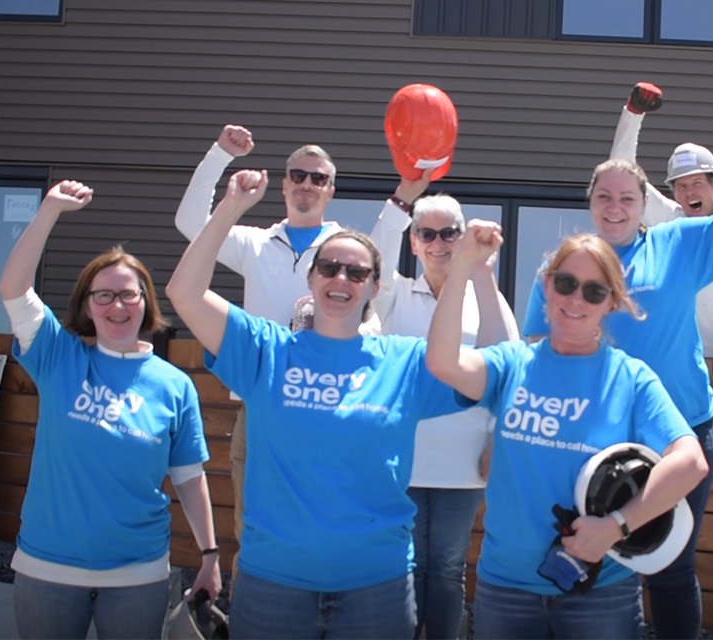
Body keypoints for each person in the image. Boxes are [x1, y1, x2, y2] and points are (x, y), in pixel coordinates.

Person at [166, 169, 458, 638]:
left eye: (357, 271)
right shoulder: (266, 350)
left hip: (376, 588)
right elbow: (183, 293)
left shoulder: (403, 360)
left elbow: (488, 367)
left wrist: (466, 269)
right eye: (330, 267)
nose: (342, 278)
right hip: (272, 586)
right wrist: (231, 207)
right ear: (312, 275)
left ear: (373, 287)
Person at [524, 105, 713, 639]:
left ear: (644, 205)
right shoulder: (565, 267)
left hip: (680, 432)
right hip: (591, 437)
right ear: (589, 203)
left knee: (667, 567)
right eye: (604, 197)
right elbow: (535, 351)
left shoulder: (676, 243)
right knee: (599, 560)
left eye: (627, 197)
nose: (615, 207)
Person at [427, 227, 709, 640]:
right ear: (547, 286)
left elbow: (691, 462)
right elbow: (443, 363)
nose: (576, 299)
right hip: (507, 586)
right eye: (566, 283)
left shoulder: (630, 378)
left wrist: (615, 527)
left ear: (611, 302)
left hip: (600, 591)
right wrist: (463, 269)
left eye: (594, 292)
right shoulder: (512, 364)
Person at [0, 180, 219, 640]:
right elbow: (13, 287)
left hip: (138, 576)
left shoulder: (175, 385)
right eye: (104, 295)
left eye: (129, 294)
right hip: (47, 569)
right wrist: (50, 210)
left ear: (146, 303)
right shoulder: (57, 356)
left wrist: (211, 556)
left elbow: (189, 479)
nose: (117, 305)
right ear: (87, 305)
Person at [175, 124, 347, 580]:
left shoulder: (347, 253)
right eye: (299, 174)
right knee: (252, 523)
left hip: (324, 404)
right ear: (285, 181)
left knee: (320, 520)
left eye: (317, 178)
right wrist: (219, 156)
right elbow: (190, 224)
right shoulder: (254, 242)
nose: (306, 184)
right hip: (259, 403)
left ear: (330, 189)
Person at [369, 182, 520, 640]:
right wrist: (399, 200)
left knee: (449, 565)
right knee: (407, 562)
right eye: (427, 234)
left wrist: (496, 436)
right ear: (412, 242)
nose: (438, 244)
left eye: (449, 233)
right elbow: (374, 250)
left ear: (462, 238)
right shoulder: (390, 295)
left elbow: (507, 363)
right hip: (403, 457)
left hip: (465, 458)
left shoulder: (483, 295)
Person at [608, 82, 713, 384]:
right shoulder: (669, 220)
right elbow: (620, 174)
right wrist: (633, 113)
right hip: (684, 362)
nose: (688, 191)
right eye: (680, 186)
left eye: (697, 183)